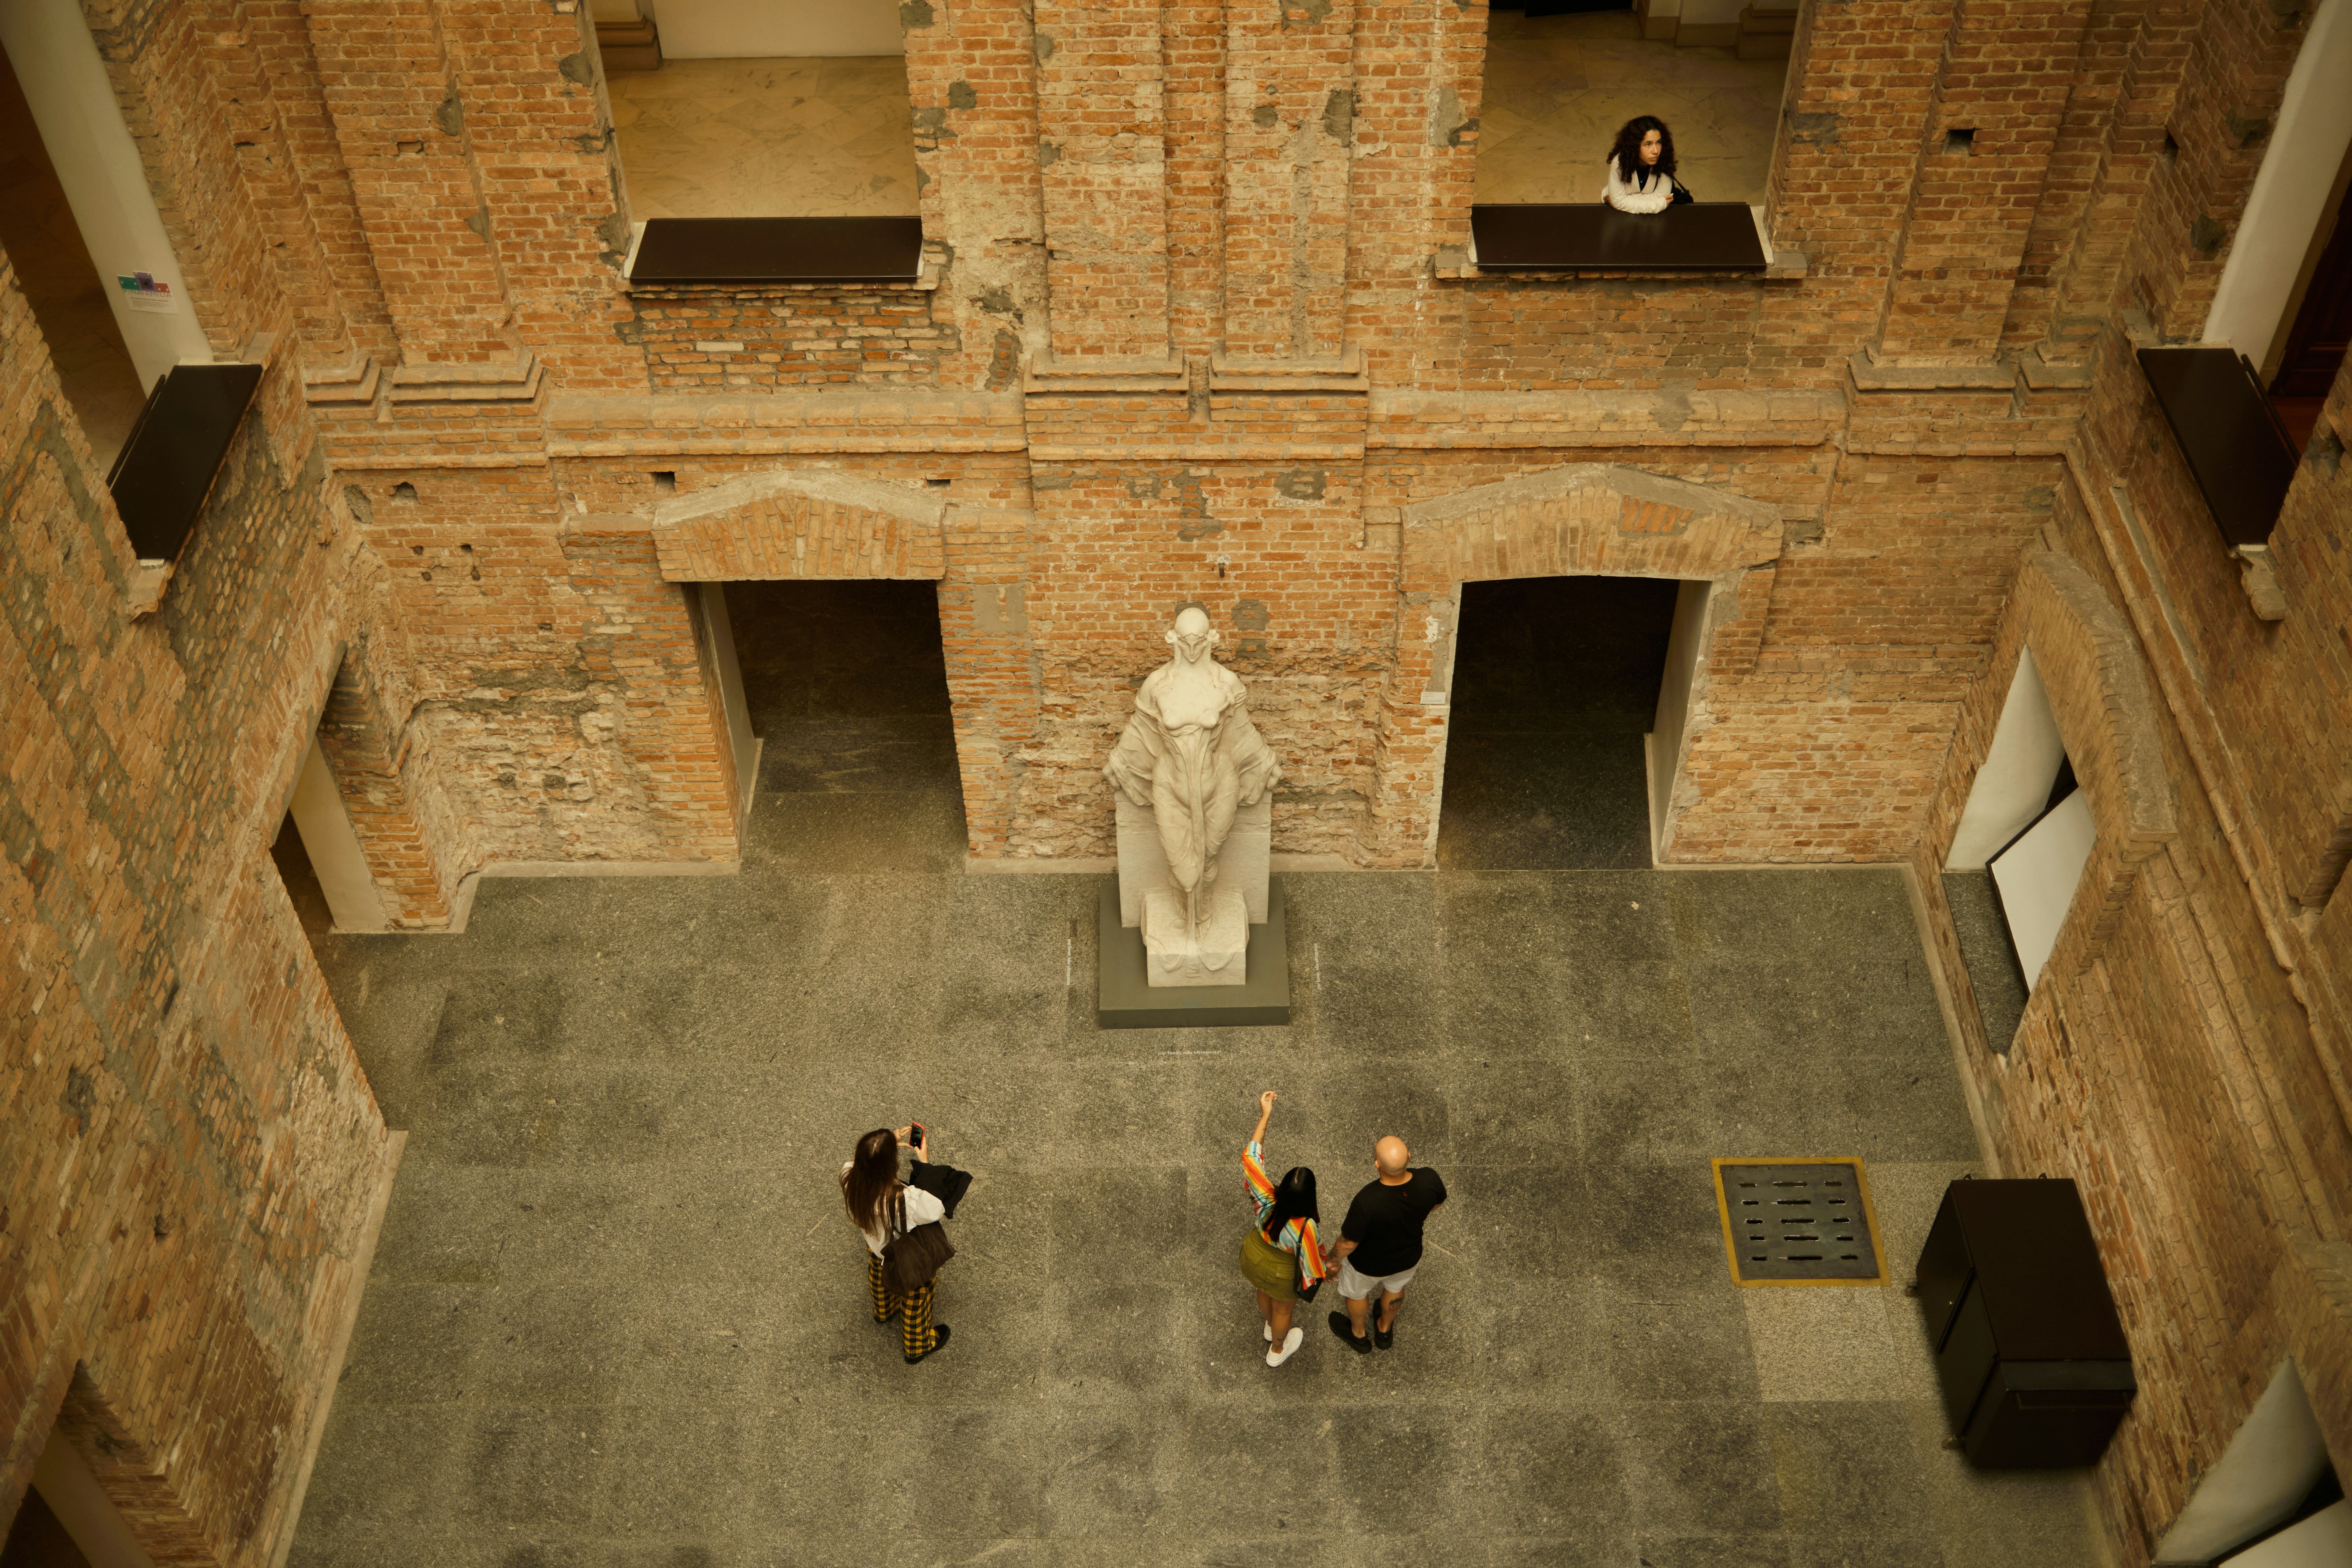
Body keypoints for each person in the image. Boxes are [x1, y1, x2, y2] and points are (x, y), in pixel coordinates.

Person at [841, 1124, 951, 1364]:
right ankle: (917, 1346)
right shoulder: (902, 1198)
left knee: (878, 1273)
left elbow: (862, 1163)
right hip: (904, 1257)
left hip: (878, 1247)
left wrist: (883, 1144)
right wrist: (924, 1163)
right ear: (891, 1165)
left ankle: (885, 1311)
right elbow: (935, 1209)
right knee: (917, 1296)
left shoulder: (849, 1175)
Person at [1327, 1135, 1447, 1354]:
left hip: (1367, 1265)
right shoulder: (1429, 1180)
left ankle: (1359, 1335)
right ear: (1409, 1156)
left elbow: (1348, 1243)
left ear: (1377, 1165)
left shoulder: (1367, 1201)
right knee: (1395, 1288)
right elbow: (1438, 1202)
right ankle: (1384, 1331)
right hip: (1408, 1259)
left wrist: (1331, 1260)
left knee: (1356, 1294)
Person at [1239, 1090, 1327, 1367]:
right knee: (1283, 1309)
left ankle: (1269, 1328)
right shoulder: (1306, 1228)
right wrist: (1330, 1268)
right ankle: (1278, 1349)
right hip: (1282, 1271)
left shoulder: (1266, 1196)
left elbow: (1251, 1157)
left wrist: (1265, 1115)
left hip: (1253, 1256)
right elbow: (1313, 1266)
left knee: (1262, 1292)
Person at [1602, 115, 1678, 214]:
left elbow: (1619, 202)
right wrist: (1657, 205)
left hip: (1627, 210)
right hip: (1614, 212)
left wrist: (1623, 201)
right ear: (1635, 146)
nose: (1656, 151)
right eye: (1648, 144)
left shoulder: (1664, 159)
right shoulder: (1620, 162)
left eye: (1659, 143)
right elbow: (1660, 202)